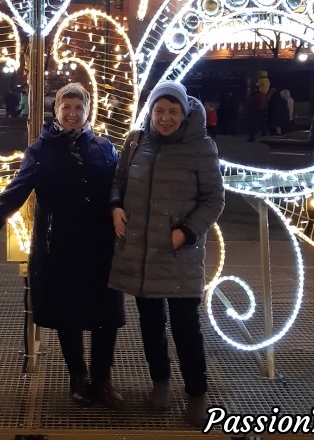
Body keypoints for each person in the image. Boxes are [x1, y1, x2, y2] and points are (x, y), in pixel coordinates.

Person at [0, 83, 125, 408]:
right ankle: (78, 377)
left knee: (104, 312)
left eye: (79, 108)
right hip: (60, 243)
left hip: (99, 244)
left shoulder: (104, 148)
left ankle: (102, 378)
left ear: (88, 111)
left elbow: (121, 189)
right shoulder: (41, 149)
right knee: (69, 313)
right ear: (57, 111)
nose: (73, 114)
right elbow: (15, 191)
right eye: (67, 108)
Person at [109, 81, 224, 427]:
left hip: (179, 256)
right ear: (151, 111)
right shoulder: (136, 142)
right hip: (141, 255)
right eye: (160, 110)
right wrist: (115, 206)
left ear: (184, 113)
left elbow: (214, 200)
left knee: (186, 329)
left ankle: (196, 394)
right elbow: (119, 180)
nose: (165, 117)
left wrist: (185, 232)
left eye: (173, 111)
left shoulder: (201, 147)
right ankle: (160, 383)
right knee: (150, 326)